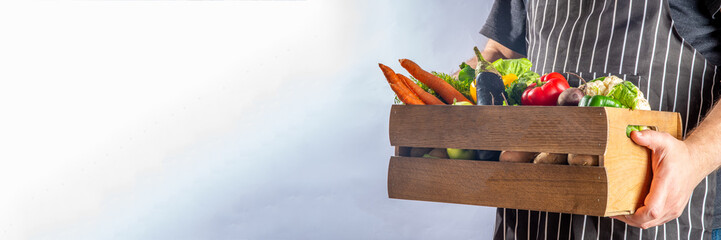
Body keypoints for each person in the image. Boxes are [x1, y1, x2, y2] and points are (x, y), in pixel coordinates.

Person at [472, 0, 721, 239]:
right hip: (532, 215)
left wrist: (694, 158)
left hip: (653, 218)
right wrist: (442, 96)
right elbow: (500, 53)